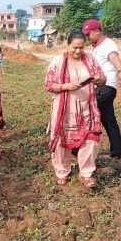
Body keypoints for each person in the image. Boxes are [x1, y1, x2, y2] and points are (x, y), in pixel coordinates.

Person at [45, 31, 106, 187]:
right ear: (67, 45)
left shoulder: (91, 59)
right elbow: (48, 85)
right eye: (74, 48)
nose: (78, 51)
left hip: (87, 107)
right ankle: (62, 171)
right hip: (65, 109)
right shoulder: (58, 62)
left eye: (81, 48)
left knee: (91, 139)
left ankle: (86, 173)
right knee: (61, 141)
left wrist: (99, 80)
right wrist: (65, 86)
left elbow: (102, 78)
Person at [82, 19, 121, 159]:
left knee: (85, 110)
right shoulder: (95, 46)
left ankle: (79, 150)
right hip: (104, 87)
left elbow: (113, 57)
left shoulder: (107, 43)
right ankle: (117, 152)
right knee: (109, 120)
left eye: (88, 34)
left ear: (97, 31)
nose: (87, 37)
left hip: (106, 87)